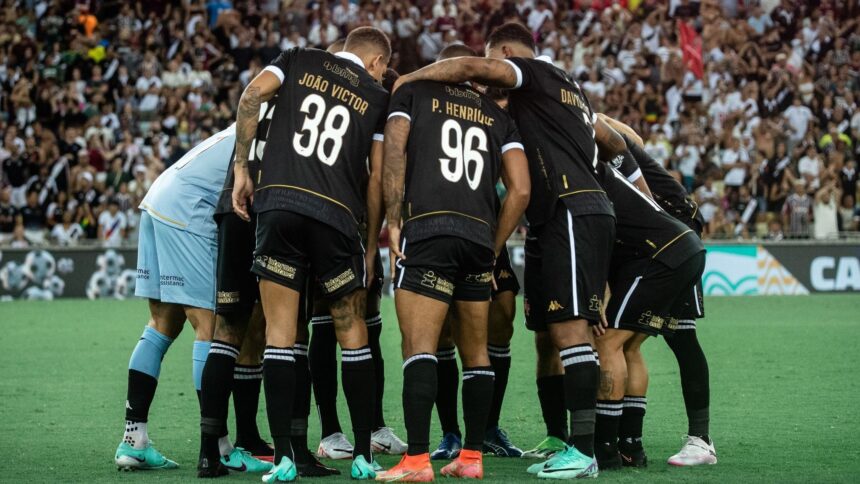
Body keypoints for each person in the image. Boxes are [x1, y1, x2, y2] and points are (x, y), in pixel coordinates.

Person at [393, 22, 630, 479]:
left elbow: (466, 66)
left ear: (505, 53)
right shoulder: (568, 90)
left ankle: (583, 452)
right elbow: (613, 142)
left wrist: (410, 80)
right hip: (575, 212)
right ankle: (570, 444)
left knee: (571, 333)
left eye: (495, 62)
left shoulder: (534, 72)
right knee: (558, 331)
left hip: (568, 208)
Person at [231, 27, 392, 482]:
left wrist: (243, 169)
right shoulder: (377, 98)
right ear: (377, 62)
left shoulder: (298, 58)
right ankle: (363, 454)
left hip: (280, 203)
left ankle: (284, 458)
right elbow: (376, 177)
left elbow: (250, 97)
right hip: (336, 217)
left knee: (280, 334)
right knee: (350, 329)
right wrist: (372, 239)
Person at [376, 43, 529, 482]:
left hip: (429, 229)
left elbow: (395, 153)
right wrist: (493, 245)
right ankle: (472, 458)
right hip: (478, 238)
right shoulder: (498, 115)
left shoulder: (412, 92)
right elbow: (520, 189)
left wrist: (393, 222)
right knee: (476, 352)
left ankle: (417, 461)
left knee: (419, 346)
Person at [197, 97, 338, 479]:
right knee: (291, 333)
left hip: (233, 205)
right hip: (279, 208)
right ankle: (297, 451)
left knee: (227, 331)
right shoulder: (314, 103)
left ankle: (209, 453)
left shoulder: (262, 98)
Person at [114, 125, 267, 476]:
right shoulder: (274, 128)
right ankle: (219, 446)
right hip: (187, 209)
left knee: (162, 325)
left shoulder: (247, 121)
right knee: (211, 327)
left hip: (158, 199)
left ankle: (133, 441)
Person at [601, 116, 716, 467]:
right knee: (630, 340)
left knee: (680, 336)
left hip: (673, 228)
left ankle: (701, 439)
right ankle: (627, 442)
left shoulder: (600, 137)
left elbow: (624, 136)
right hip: (644, 239)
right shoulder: (603, 142)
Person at [430, 88, 525, 461]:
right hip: (439, 225)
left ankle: (487, 428)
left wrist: (496, 246)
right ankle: (451, 432)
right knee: (442, 330)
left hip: (485, 228)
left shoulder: (495, 116)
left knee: (502, 315)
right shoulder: (430, 109)